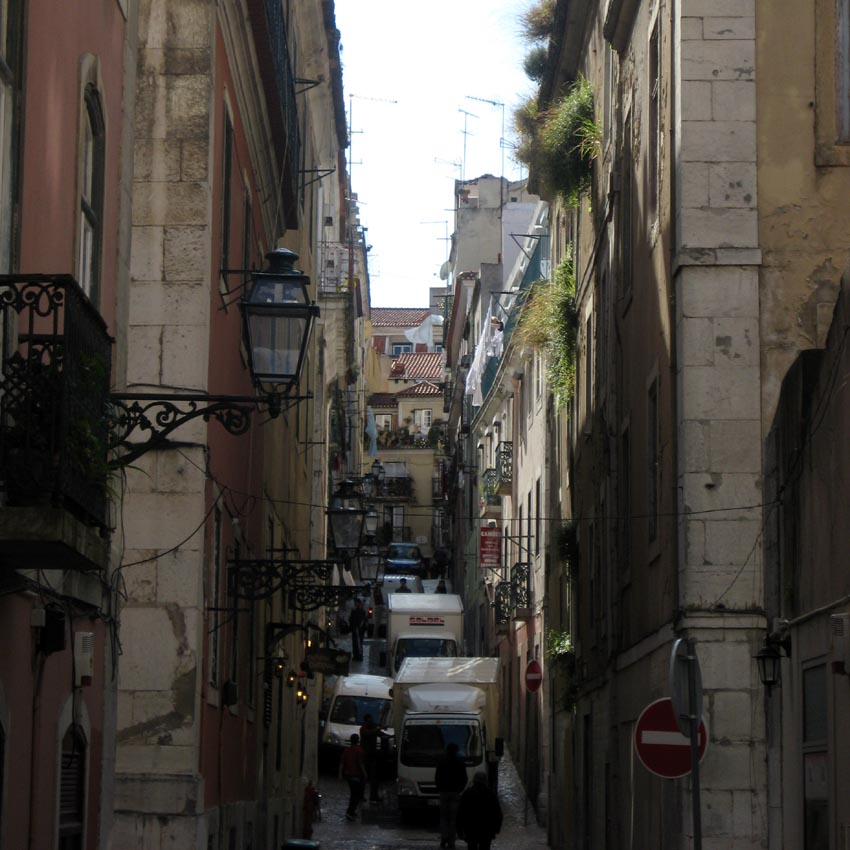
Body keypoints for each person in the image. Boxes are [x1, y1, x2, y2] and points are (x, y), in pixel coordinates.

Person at [456, 771, 503, 850]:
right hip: (486, 830)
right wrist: (496, 829)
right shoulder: (490, 794)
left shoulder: (467, 793)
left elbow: (460, 813)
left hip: (471, 829)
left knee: (472, 847)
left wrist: (460, 830)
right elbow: (498, 813)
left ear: (474, 781)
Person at [434, 741, 468, 849]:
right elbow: (464, 778)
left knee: (444, 817)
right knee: (453, 819)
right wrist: (459, 789)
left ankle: (444, 838)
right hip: (454, 793)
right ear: (456, 751)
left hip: (444, 792)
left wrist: (439, 788)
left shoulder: (441, 762)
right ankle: (451, 841)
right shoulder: (460, 763)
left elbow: (437, 777)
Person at [339, 733, 367, 822]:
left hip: (348, 775)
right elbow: (360, 763)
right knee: (356, 795)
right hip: (356, 775)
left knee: (354, 794)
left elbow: (342, 763)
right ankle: (350, 812)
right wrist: (365, 773)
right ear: (358, 740)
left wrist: (340, 774)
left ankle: (352, 811)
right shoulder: (359, 750)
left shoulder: (347, 750)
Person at [359, 712, 387, 803]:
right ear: (367, 720)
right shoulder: (363, 729)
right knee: (364, 778)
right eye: (370, 720)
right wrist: (379, 728)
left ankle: (373, 796)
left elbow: (381, 734)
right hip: (364, 756)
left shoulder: (373, 728)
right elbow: (368, 733)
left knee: (374, 778)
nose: (372, 721)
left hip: (372, 756)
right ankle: (362, 796)